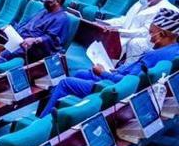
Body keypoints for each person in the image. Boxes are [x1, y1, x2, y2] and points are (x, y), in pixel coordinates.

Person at [39, 8, 179, 117]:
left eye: (151, 33)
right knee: (82, 73)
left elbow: (127, 82)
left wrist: (104, 73)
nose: (150, 37)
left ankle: (43, 122)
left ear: (162, 35)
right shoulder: (174, 50)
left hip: (115, 89)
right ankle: (62, 107)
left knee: (66, 83)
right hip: (123, 81)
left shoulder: (154, 56)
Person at [0, 0, 70, 72]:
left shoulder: (61, 18)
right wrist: (8, 30)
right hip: (19, 39)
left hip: (33, 47)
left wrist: (35, 40)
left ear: (58, 1)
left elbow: (51, 39)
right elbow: (25, 24)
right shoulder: (44, 11)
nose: (46, 0)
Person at [104, 0, 178, 61]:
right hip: (127, 34)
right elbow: (126, 19)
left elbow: (146, 32)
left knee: (135, 43)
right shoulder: (142, 3)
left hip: (151, 41)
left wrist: (119, 31)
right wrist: (106, 23)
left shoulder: (166, 9)